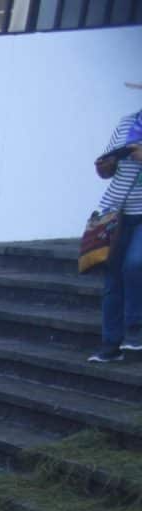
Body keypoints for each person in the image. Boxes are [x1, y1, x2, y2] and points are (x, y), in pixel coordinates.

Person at [92, 95, 142, 362]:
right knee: (112, 280)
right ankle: (110, 344)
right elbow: (105, 171)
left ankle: (134, 331)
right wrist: (106, 165)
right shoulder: (126, 123)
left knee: (135, 265)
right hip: (116, 213)